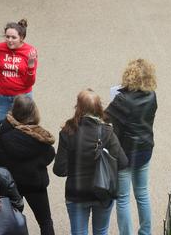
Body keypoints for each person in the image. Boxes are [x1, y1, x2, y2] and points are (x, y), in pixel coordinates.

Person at [53, 89, 128, 235]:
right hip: (103, 191)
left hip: (77, 193)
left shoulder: (68, 132)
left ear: (78, 107)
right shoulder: (107, 132)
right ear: (99, 107)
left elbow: (59, 170)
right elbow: (123, 162)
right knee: (101, 232)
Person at [104, 59, 157, 235]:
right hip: (144, 149)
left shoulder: (123, 100)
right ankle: (146, 232)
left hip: (124, 153)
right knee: (142, 194)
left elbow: (105, 118)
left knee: (123, 198)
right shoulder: (152, 95)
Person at [0, 95, 56, 235]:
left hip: (9, 184)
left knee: (9, 222)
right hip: (35, 184)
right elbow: (50, 155)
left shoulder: (2, 127)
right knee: (45, 222)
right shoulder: (39, 136)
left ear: (14, 111)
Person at [0, 18, 38, 125]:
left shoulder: (30, 51)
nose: (10, 40)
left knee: (25, 129)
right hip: (2, 96)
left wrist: (30, 67)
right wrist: (2, 82)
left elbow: (30, 82)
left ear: (21, 38)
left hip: (23, 98)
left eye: (14, 37)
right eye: (7, 37)